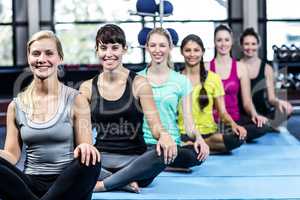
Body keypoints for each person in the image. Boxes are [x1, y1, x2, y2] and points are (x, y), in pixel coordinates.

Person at [0, 30, 101, 200]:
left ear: (59, 58)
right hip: (30, 185)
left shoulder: (76, 100)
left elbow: (85, 147)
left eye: (49, 53)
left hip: (68, 184)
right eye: (36, 54)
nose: (42, 59)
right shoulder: (16, 106)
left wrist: (85, 147)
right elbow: (12, 155)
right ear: (29, 58)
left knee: (92, 160)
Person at [79, 24, 177, 193]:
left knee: (164, 153)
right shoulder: (86, 88)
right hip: (101, 160)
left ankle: (105, 184)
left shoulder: (140, 83)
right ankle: (123, 182)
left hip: (135, 162)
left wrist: (164, 135)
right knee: (68, 156)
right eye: (103, 48)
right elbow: (83, 131)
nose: (109, 54)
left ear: (124, 49)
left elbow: (155, 125)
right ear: (97, 50)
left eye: (115, 48)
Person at [138, 27, 209, 172]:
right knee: (144, 153)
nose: (157, 50)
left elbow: (189, 123)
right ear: (147, 48)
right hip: (144, 144)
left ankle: (158, 164)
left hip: (172, 144)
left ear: (170, 47)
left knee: (195, 155)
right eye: (153, 45)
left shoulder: (182, 81)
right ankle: (160, 163)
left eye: (162, 45)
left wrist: (199, 139)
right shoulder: (137, 79)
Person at [178, 34, 247, 153]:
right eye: (188, 50)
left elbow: (223, 112)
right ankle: (193, 146)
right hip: (184, 133)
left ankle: (200, 145)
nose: (192, 54)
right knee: (188, 154)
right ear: (181, 52)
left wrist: (234, 125)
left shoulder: (214, 78)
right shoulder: (176, 78)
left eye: (196, 50)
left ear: (203, 52)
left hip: (210, 135)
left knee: (238, 138)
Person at [208, 24, 268, 142]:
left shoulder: (241, 68)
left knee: (262, 126)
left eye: (226, 40)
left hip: (236, 119)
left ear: (232, 42)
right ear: (214, 42)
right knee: (230, 136)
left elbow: (247, 101)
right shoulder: (207, 67)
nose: (223, 44)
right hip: (214, 121)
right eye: (219, 40)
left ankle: (233, 135)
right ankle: (231, 137)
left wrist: (255, 114)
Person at [239, 28, 293, 131]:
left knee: (287, 109)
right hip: (243, 114)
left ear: (258, 45)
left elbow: (271, 98)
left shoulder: (267, 68)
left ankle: (264, 125)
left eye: (253, 44)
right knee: (252, 125)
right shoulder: (236, 66)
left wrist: (279, 102)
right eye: (246, 44)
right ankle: (263, 126)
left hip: (263, 112)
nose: (250, 47)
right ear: (241, 46)